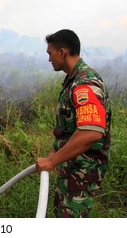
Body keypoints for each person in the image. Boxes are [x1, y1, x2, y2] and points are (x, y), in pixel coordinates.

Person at [36, 29, 111, 218]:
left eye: (50, 54)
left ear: (62, 52)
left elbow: (90, 132)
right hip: (69, 168)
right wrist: (55, 154)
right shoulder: (72, 80)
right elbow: (69, 129)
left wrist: (52, 161)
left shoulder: (85, 84)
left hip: (82, 172)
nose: (49, 59)